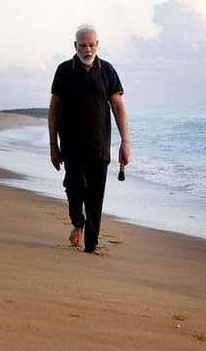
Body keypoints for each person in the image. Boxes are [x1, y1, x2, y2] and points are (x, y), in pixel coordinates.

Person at [48, 24, 130, 255]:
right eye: (83, 45)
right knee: (74, 189)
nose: (87, 49)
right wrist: (53, 145)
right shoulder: (64, 70)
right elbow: (54, 109)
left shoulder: (107, 70)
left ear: (97, 45)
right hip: (71, 146)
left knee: (95, 196)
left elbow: (117, 106)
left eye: (91, 45)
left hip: (99, 145)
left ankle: (91, 245)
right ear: (75, 46)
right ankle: (78, 222)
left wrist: (125, 142)